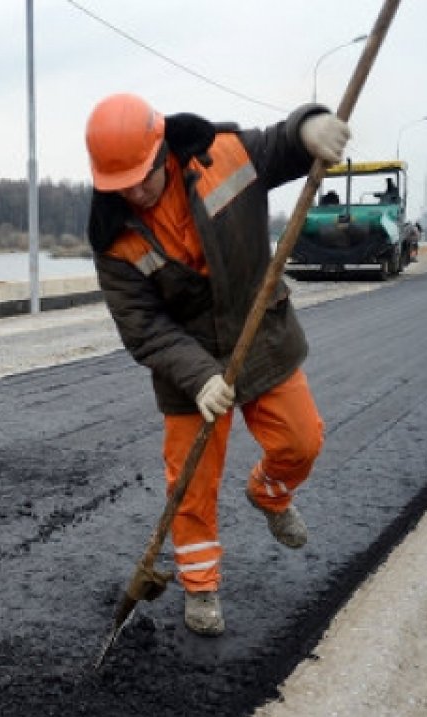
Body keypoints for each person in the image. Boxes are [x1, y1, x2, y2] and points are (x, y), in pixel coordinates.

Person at [84, 93, 349, 636]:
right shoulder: (114, 241)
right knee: (191, 485)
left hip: (260, 336)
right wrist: (198, 374)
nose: (136, 192)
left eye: (144, 177)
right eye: (121, 186)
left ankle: (269, 494)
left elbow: (281, 145)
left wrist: (311, 127)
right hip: (188, 364)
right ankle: (201, 587)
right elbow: (142, 327)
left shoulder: (221, 153)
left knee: (302, 441)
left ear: (163, 150)